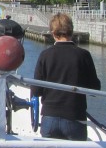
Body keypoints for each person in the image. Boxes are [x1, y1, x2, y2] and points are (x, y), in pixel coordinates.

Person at [31, 13, 100, 141]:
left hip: (49, 117)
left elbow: (36, 90)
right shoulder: (83, 55)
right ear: (71, 31)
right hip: (74, 117)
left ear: (53, 33)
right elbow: (95, 88)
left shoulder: (45, 55)